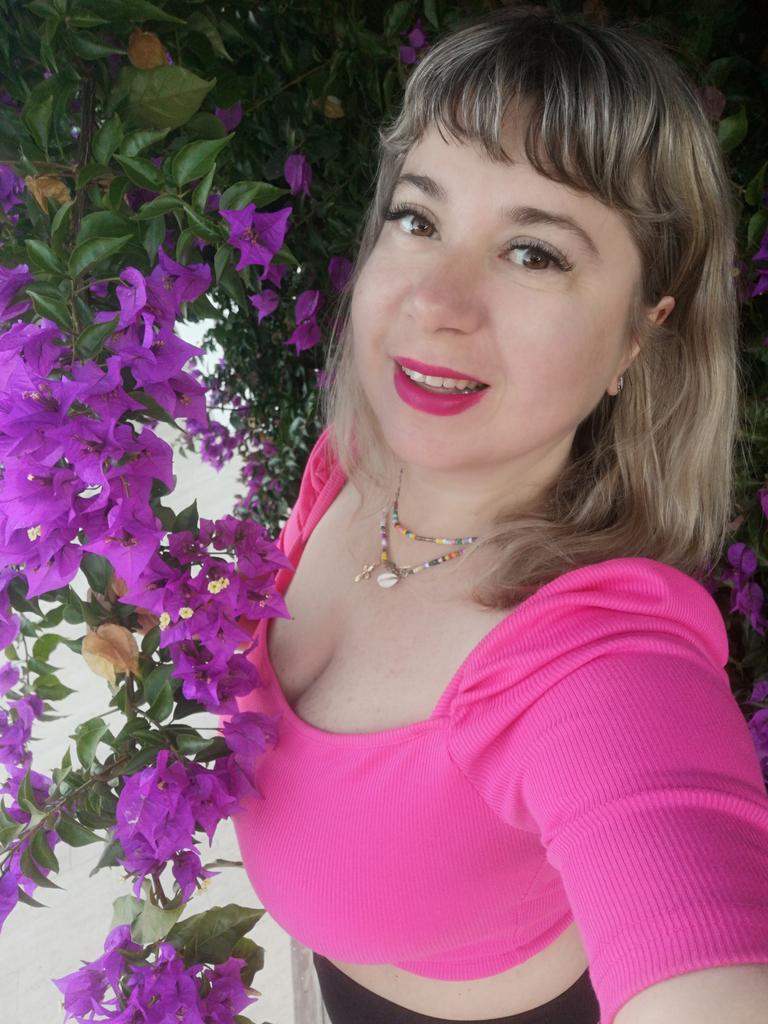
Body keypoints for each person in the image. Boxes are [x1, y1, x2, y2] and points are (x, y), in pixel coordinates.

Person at [227, 6, 768, 1023]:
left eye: (535, 253)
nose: (436, 300)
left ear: (638, 336)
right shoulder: (348, 467)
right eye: (419, 219)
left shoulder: (600, 658)